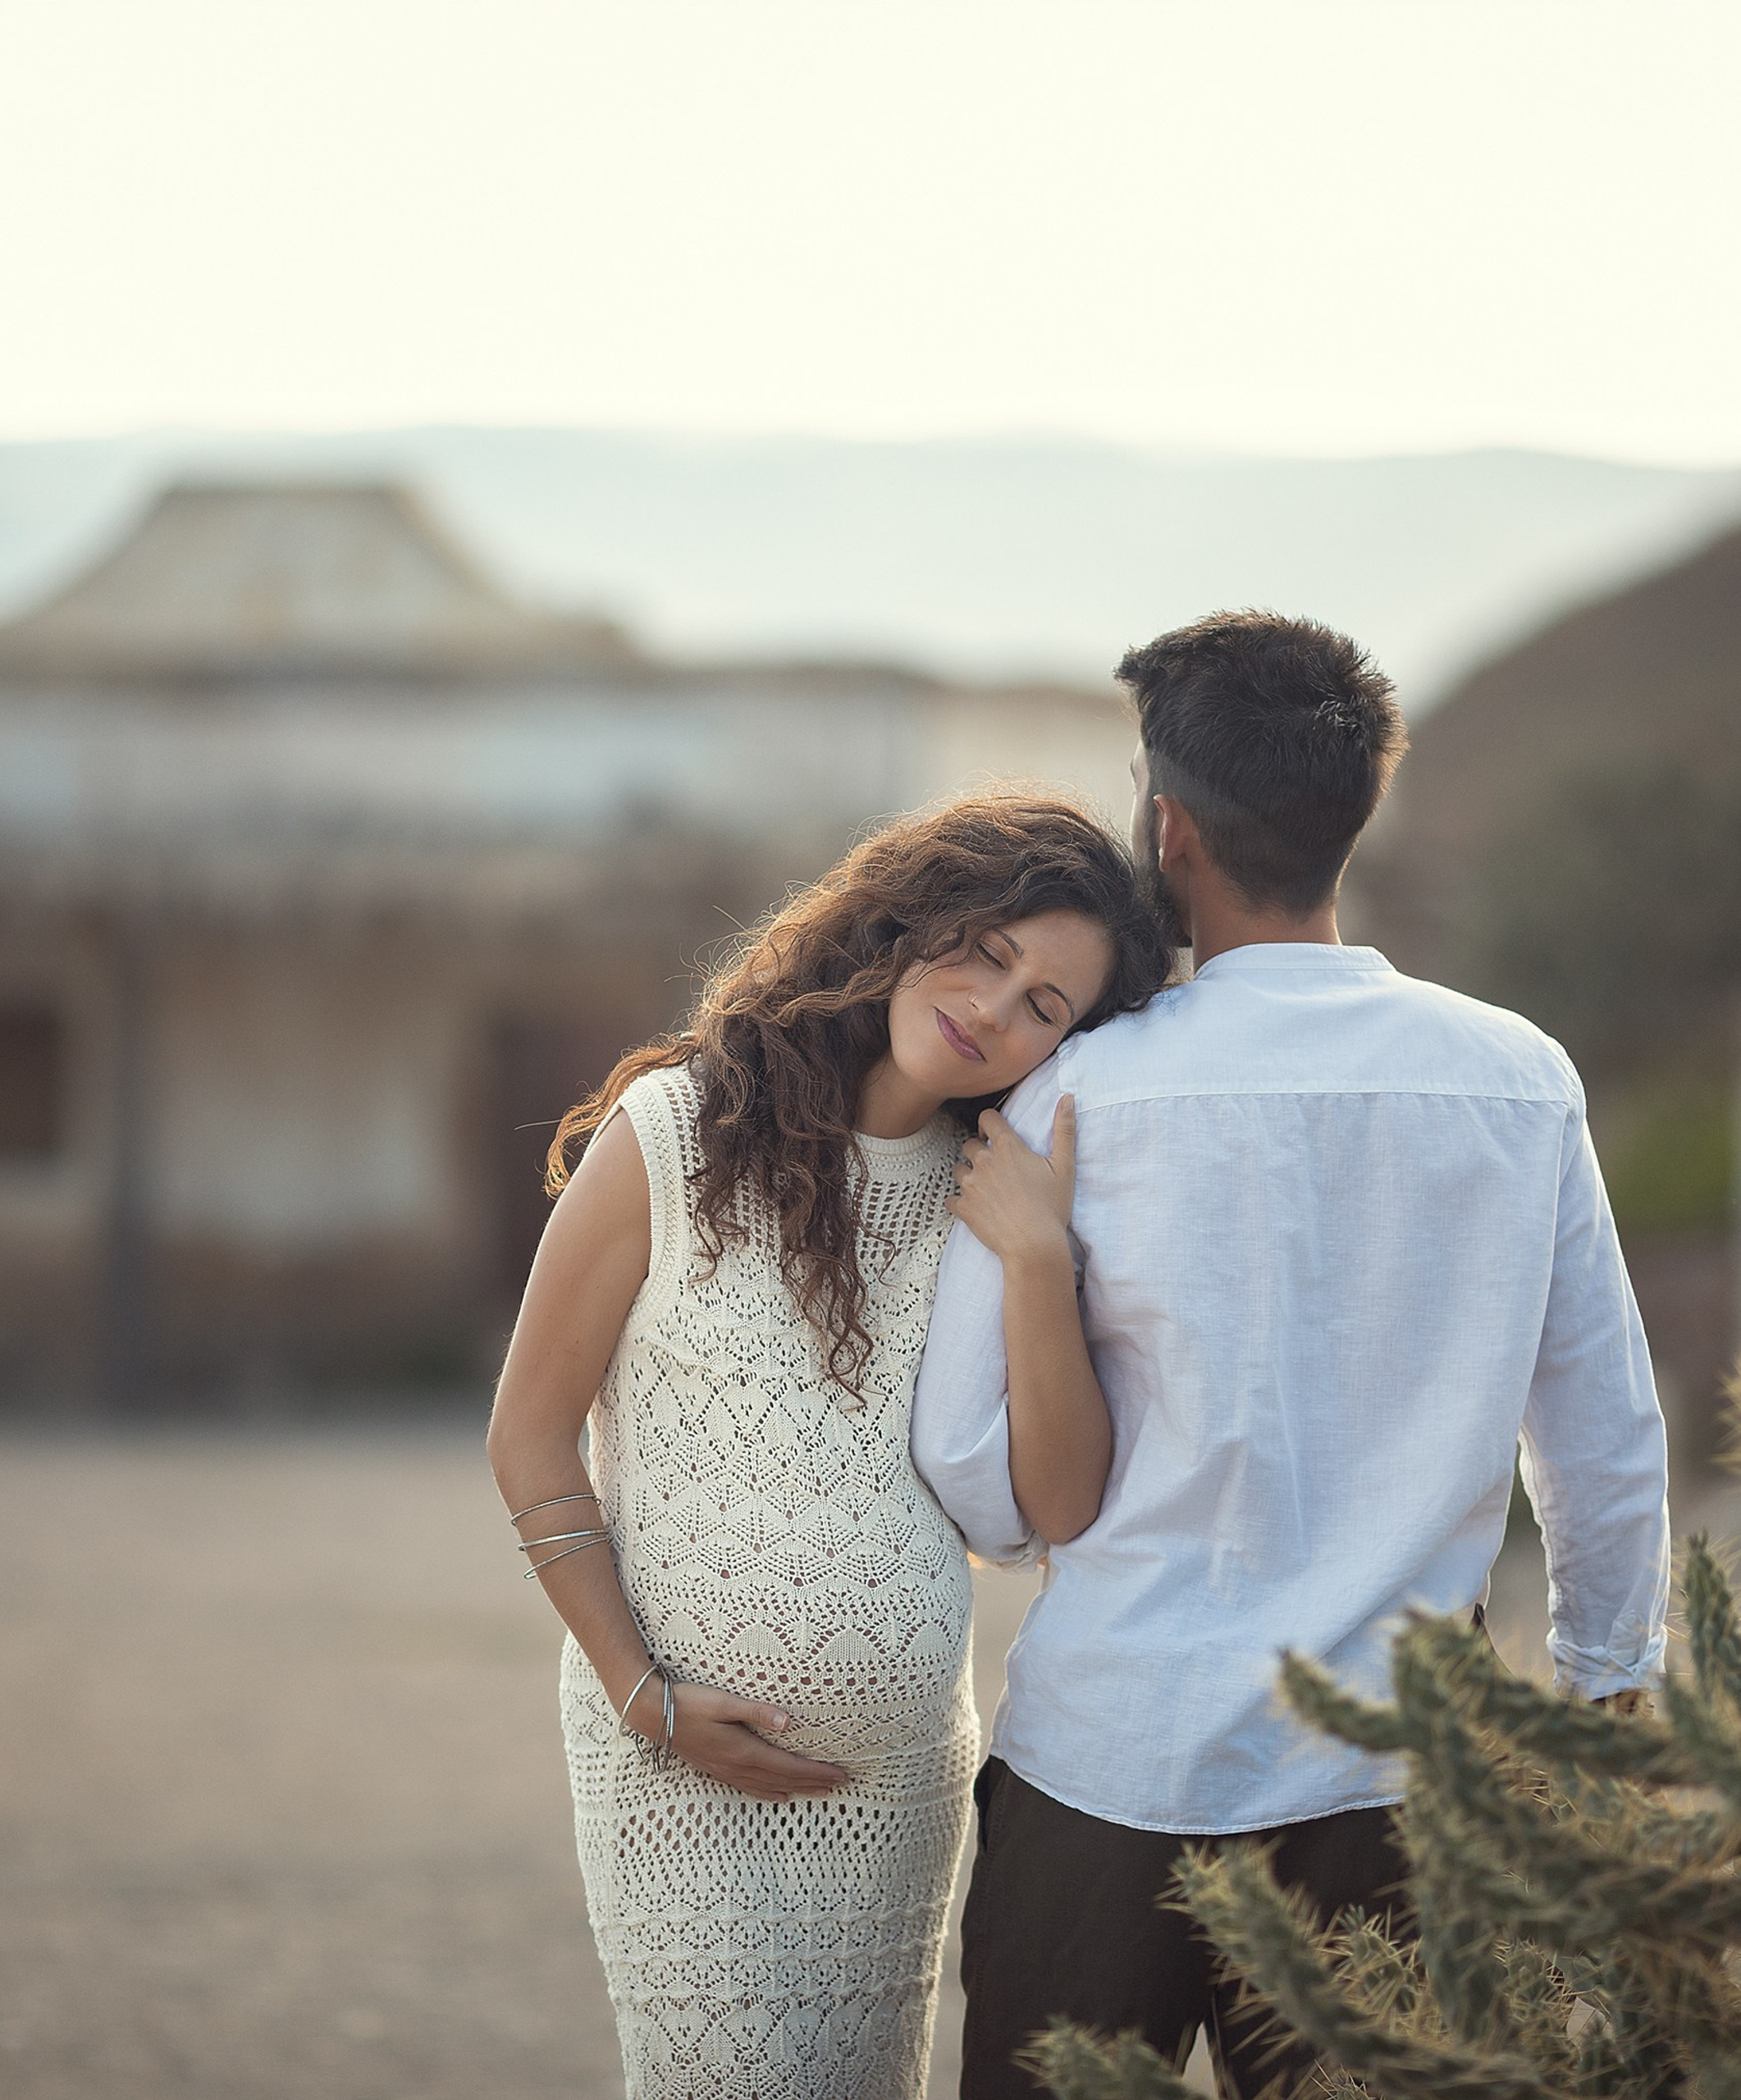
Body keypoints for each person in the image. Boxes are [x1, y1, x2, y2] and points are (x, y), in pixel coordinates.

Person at [912, 612, 1672, 2100]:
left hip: (1106, 1768)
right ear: (1351, 820)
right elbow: (1602, 1434)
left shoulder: (1070, 1094)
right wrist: (1606, 1694)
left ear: (1170, 828)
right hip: (1398, 1789)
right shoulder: (1519, 1081)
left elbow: (975, 1474)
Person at [486, 791, 1174, 2100]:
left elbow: (1059, 1504)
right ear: (914, 916)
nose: (993, 1007)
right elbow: (526, 1435)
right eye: (987, 950)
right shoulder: (674, 1135)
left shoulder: (996, 1192)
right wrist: (644, 1695)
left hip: (897, 1781)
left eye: (1044, 1005)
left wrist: (1039, 1259)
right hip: (677, 1763)